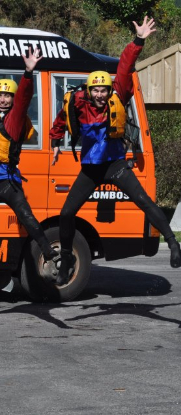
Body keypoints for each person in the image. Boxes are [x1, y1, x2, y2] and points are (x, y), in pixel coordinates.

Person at [50, 17, 180, 286]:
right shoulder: (77, 102)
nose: (99, 94)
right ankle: (66, 260)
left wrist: (139, 40)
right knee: (65, 214)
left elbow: (124, 66)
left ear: (109, 90)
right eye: (95, 90)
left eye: (103, 90)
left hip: (115, 165)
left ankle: (173, 243)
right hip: (90, 169)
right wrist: (54, 141)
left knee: (144, 202)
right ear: (88, 90)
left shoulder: (117, 95)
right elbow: (61, 121)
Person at [0, 39, 58, 292]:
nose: (4, 99)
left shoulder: (14, 120)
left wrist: (28, 73)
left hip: (7, 180)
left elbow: (23, 98)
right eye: (0, 95)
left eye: (8, 95)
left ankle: (47, 251)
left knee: (26, 216)